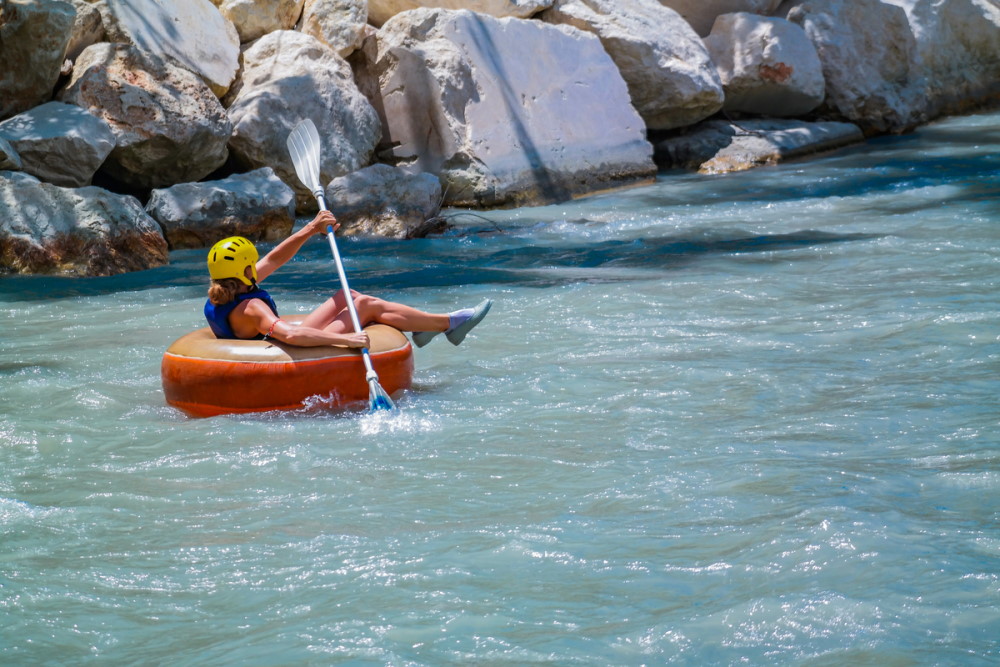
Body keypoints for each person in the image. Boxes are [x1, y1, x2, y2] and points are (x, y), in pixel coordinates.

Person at [204, 210, 491, 349]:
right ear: (245, 271)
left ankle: (426, 327)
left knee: (347, 295)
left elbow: (276, 258)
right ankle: (448, 324)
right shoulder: (252, 307)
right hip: (284, 348)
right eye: (252, 263)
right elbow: (290, 335)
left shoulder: (227, 289)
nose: (257, 265)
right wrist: (348, 340)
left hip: (272, 340)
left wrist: (311, 229)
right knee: (364, 305)